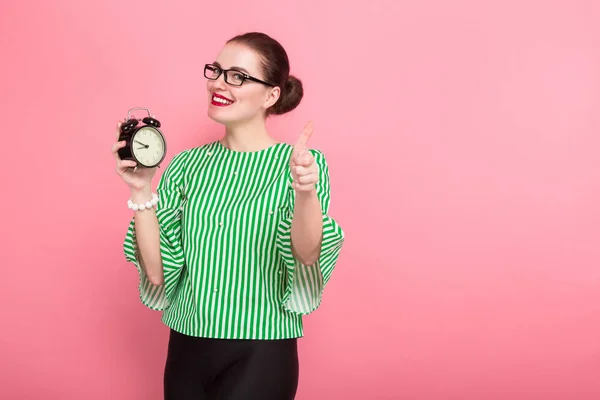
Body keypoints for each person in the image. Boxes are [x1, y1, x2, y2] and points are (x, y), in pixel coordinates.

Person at [111, 32, 345, 400]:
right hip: (187, 346)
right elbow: (157, 273)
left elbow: (306, 254)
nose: (219, 83)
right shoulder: (186, 165)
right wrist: (141, 190)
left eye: (237, 75)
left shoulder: (301, 165)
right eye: (217, 71)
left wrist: (305, 192)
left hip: (262, 350)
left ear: (271, 95)